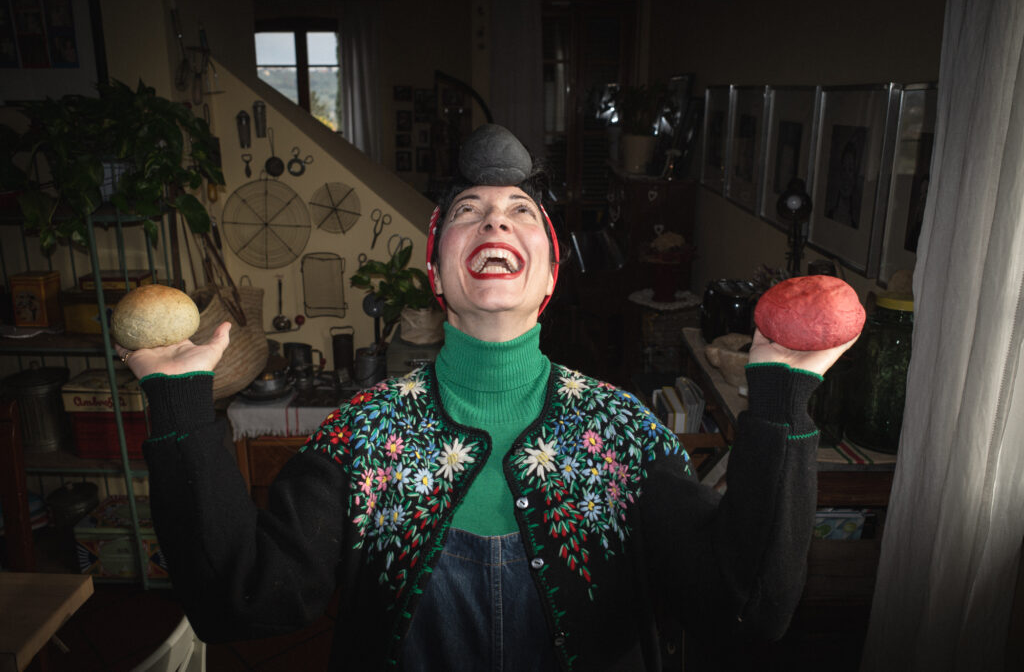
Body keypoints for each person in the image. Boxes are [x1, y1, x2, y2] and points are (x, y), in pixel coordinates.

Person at [119, 124, 855, 671]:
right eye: (468, 211)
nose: (496, 219)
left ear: (550, 275)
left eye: (521, 211)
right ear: (437, 273)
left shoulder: (625, 435)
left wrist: (781, 402)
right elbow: (240, 601)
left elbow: (747, 607)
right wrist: (178, 404)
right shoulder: (360, 437)